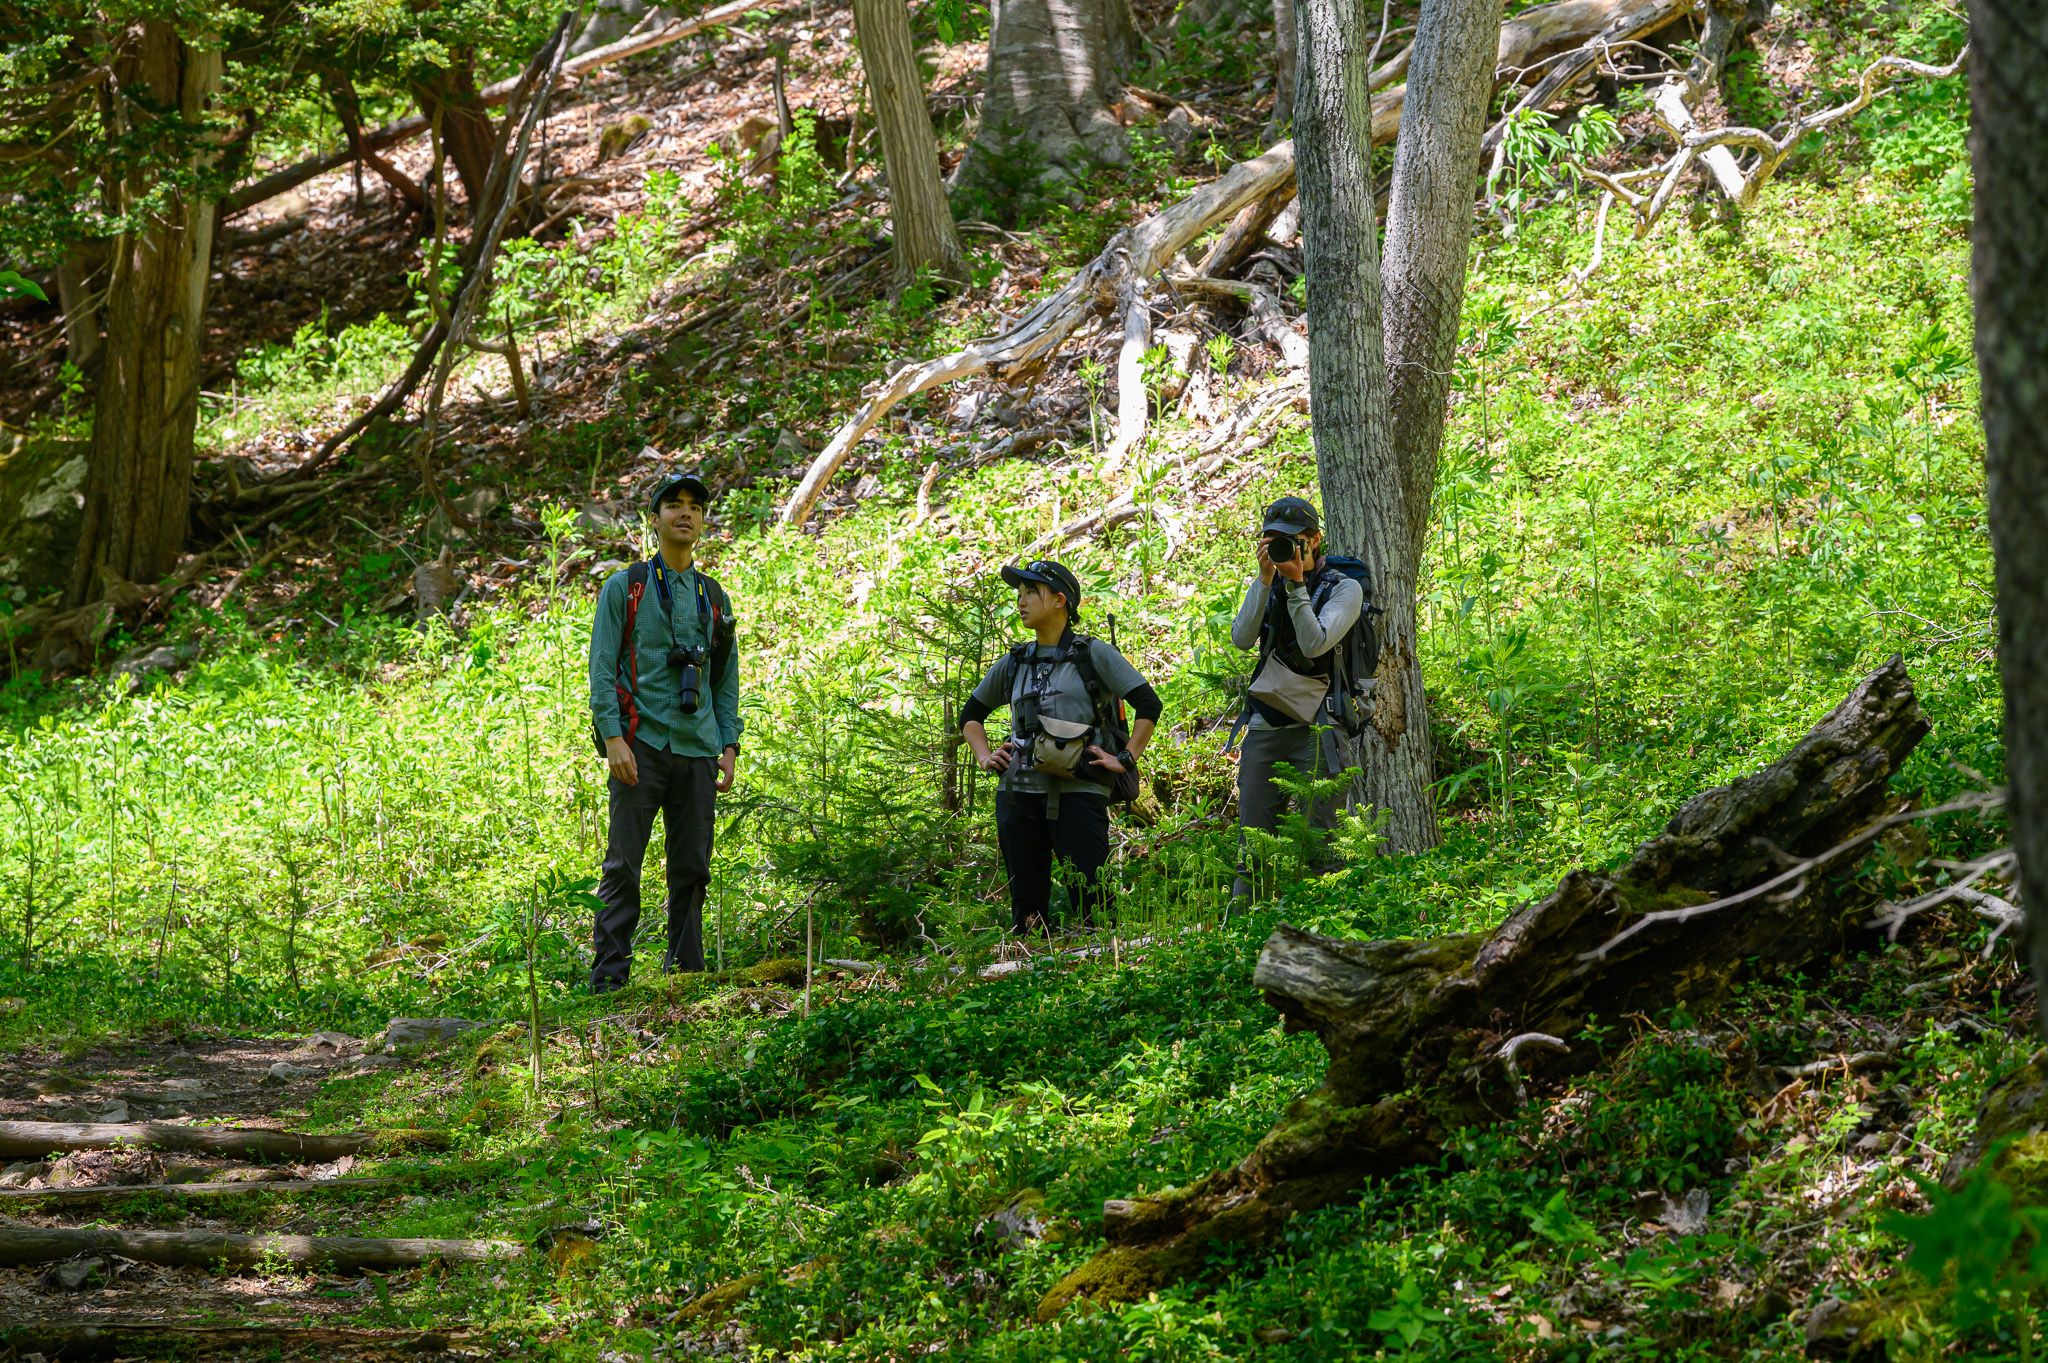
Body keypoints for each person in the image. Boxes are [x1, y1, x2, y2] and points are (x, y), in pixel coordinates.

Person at [586, 472, 741, 991]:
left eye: (695, 506)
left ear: (702, 520)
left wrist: (729, 744)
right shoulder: (625, 587)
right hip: (640, 744)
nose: (685, 513)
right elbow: (602, 668)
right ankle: (609, 981)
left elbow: (725, 678)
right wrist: (612, 738)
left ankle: (686, 978)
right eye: (674, 505)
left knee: (692, 868)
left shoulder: (713, 597)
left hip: (698, 748)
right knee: (623, 865)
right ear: (654, 520)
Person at [960, 560, 1162, 936]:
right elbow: (971, 716)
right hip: (1018, 795)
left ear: (1059, 600)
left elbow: (1148, 705)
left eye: (1030, 593)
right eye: (1019, 594)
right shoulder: (1015, 661)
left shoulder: (1093, 654)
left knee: (1095, 906)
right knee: (1027, 915)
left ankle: (1105, 965)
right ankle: (1029, 965)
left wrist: (1125, 758)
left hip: (1080, 790)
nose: (1021, 602)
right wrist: (985, 756)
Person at [1230, 495, 1363, 897]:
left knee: (1322, 849)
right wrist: (1264, 580)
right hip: (1266, 723)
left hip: (1320, 728)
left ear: (1315, 540)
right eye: (1274, 541)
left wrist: (1297, 587)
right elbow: (1241, 639)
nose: (1284, 549)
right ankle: (1245, 927)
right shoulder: (1268, 584)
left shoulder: (1345, 589)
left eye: (1293, 540)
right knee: (1254, 849)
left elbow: (1314, 643)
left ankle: (1322, 923)